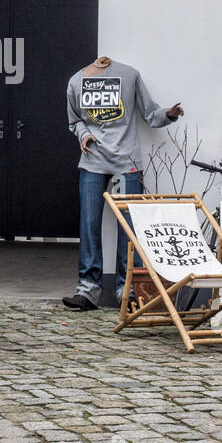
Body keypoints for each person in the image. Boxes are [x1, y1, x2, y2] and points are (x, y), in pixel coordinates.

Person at [62, 56, 182, 310]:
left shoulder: (129, 76)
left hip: (127, 165)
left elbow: (150, 113)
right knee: (89, 224)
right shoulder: (76, 81)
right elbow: (74, 120)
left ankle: (126, 291)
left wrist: (169, 114)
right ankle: (88, 291)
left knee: (129, 229)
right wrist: (84, 135)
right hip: (92, 162)